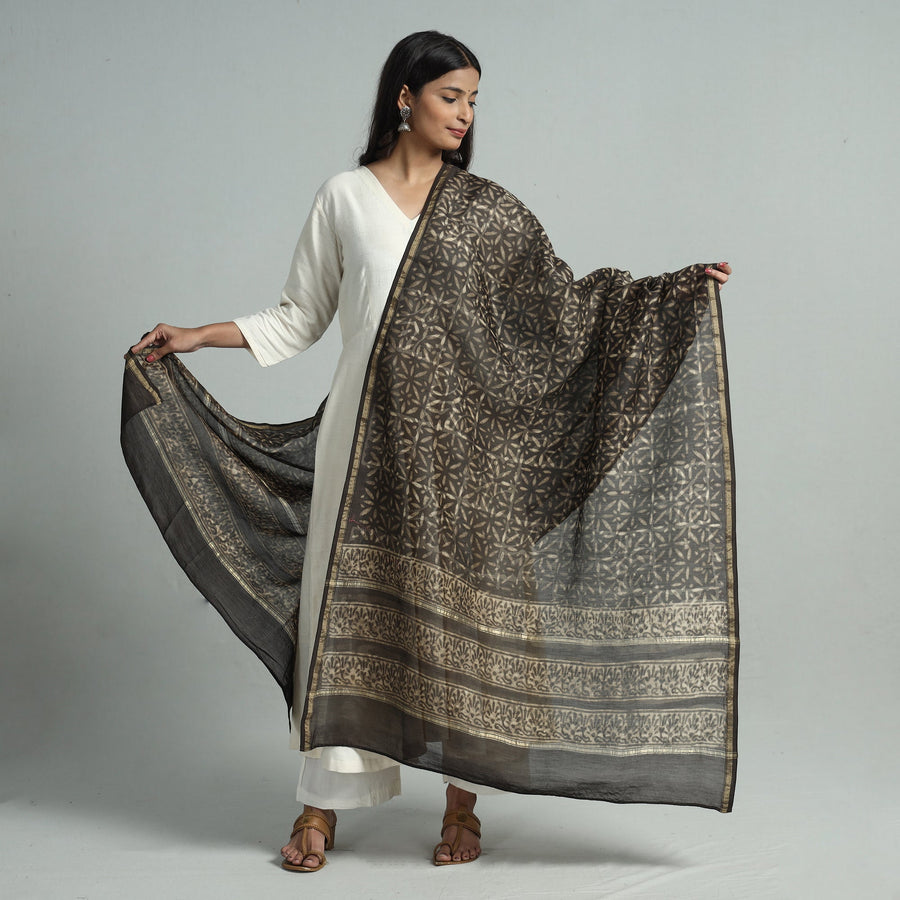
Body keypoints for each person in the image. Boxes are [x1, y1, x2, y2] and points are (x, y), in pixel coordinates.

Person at [128, 31, 734, 873]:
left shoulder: (485, 210)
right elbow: (299, 318)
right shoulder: (344, 197)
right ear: (405, 97)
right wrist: (197, 335)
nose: (465, 114)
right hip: (362, 441)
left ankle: (463, 803)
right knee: (344, 616)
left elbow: (563, 310)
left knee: (467, 621)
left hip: (468, 453)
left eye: (474, 100)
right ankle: (320, 806)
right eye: (452, 96)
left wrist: (670, 294)